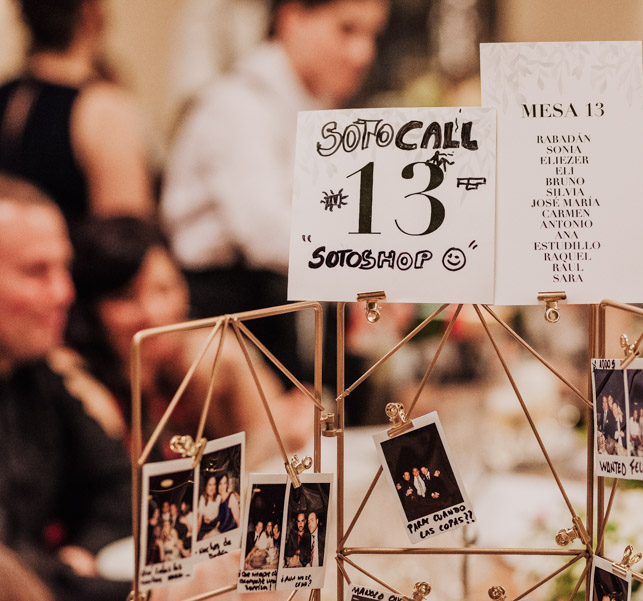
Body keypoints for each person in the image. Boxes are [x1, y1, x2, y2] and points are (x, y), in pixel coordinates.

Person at [161, 0, 390, 383]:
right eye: (347, 29)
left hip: (275, 303)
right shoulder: (238, 104)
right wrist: (379, 268)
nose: (363, 53)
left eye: (372, 35)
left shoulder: (314, 105)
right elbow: (266, 232)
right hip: (218, 316)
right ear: (292, 19)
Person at [65, 216, 314, 468]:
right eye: (125, 297)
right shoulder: (80, 390)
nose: (154, 313)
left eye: (164, 289)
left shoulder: (203, 361)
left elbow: (278, 440)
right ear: (89, 310)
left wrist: (238, 368)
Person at [0, 174, 132, 601]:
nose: (64, 292)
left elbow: (118, 483)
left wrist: (84, 551)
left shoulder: (34, 374)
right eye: (37, 271)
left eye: (64, 268)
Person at [0, 0, 153, 225]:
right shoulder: (103, 110)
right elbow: (126, 241)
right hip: (72, 258)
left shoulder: (6, 95)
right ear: (91, 13)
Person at [197, 475, 220, 540]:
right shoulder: (203, 499)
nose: (212, 488)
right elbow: (199, 520)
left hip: (215, 528)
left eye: (214, 484)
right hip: (205, 529)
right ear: (206, 486)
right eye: (210, 485)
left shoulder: (218, 498)